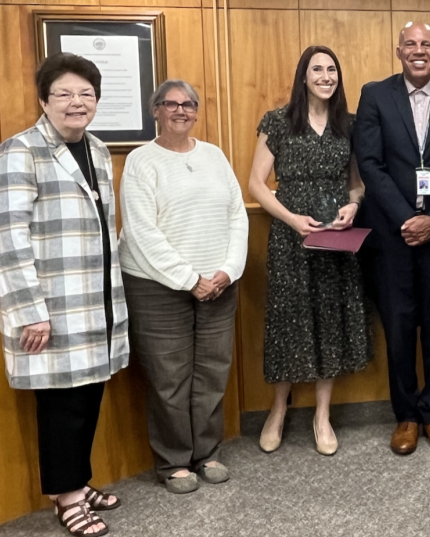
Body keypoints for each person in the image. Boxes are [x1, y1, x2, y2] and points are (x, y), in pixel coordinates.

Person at [0, 52, 127, 536]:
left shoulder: (100, 150)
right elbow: (8, 237)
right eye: (64, 93)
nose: (76, 102)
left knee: (88, 395)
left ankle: (76, 479)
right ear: (44, 100)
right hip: (51, 306)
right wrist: (31, 312)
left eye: (86, 94)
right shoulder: (18, 151)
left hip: (96, 300)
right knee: (61, 405)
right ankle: (67, 497)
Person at [353, 22, 430, 455]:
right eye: (411, 44)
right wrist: (408, 217)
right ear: (399, 51)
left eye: (426, 45)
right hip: (392, 235)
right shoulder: (375, 95)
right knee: (400, 326)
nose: (418, 51)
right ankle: (406, 415)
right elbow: (369, 163)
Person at [119, 80, 248, 493]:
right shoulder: (141, 160)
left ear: (196, 111)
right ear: (155, 110)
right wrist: (189, 279)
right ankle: (174, 462)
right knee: (169, 378)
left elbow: (237, 216)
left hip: (219, 285)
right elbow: (141, 231)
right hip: (158, 287)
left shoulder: (214, 155)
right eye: (170, 104)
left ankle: (206, 454)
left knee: (212, 373)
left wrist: (227, 270)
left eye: (188, 104)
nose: (180, 110)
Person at [249, 45, 370, 457]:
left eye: (331, 69)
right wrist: (292, 218)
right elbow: (256, 184)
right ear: (304, 76)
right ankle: (278, 409)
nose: (325, 76)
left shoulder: (347, 125)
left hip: (336, 236)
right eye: (316, 69)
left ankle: (322, 414)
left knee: (330, 319)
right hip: (292, 235)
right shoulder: (278, 122)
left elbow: (356, 182)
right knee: (289, 320)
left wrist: (353, 205)